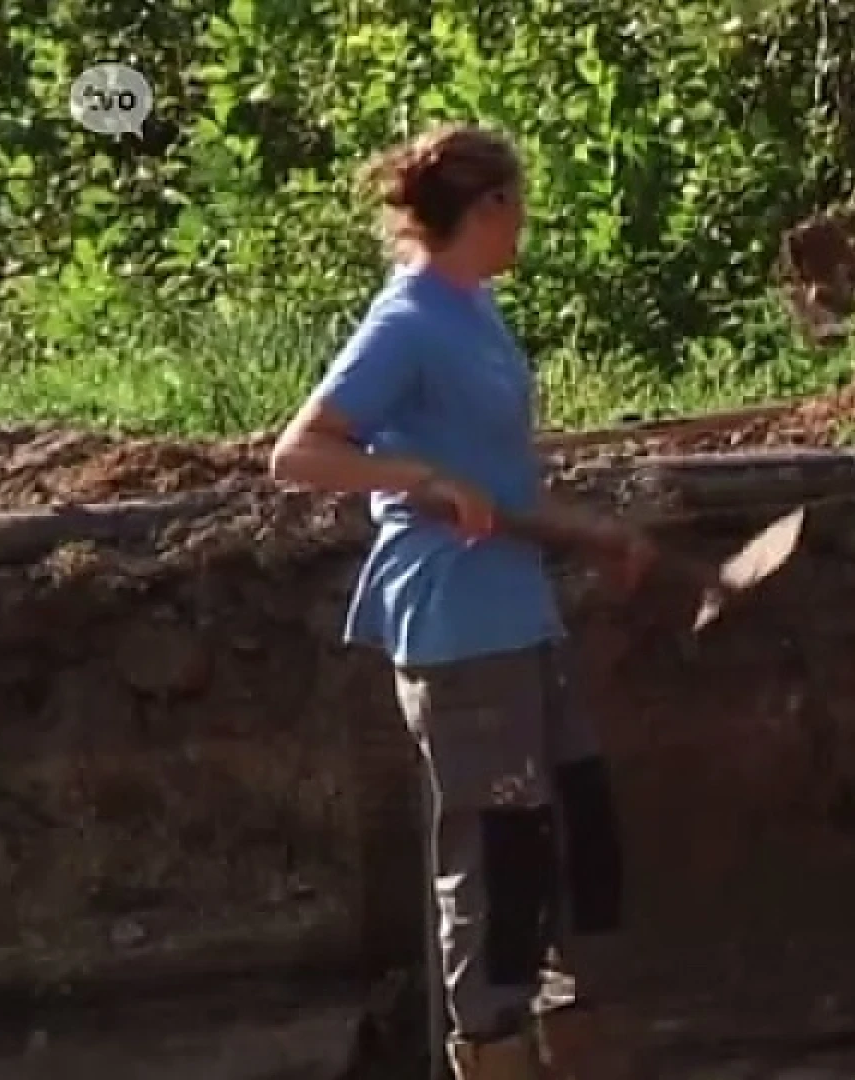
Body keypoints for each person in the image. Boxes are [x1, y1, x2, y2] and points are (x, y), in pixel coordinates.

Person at [269, 123, 654, 1080]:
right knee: (498, 855)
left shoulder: (475, 308)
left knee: (578, 837)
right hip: (456, 623)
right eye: (516, 203)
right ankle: (490, 1053)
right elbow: (299, 454)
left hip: (521, 610)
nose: (524, 221)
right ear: (484, 209)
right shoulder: (406, 321)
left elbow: (500, 480)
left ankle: (571, 1046)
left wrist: (595, 534)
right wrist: (424, 479)